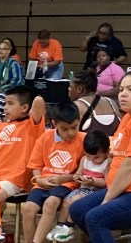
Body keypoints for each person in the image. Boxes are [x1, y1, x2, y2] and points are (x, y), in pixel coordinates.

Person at [69, 71, 131, 243]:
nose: (123, 94)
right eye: (121, 90)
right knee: (77, 210)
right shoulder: (128, 116)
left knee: (95, 218)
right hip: (121, 189)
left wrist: (108, 199)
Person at [23, 101, 85, 243]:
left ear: (79, 121)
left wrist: (63, 179)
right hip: (44, 183)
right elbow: (35, 165)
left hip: (68, 184)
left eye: (74, 127)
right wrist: (38, 180)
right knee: (28, 209)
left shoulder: (83, 140)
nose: (70, 133)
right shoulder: (45, 138)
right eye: (64, 129)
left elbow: (83, 173)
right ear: (54, 124)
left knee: (50, 203)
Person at [0, 86, 45, 213]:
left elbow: (39, 104)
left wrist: (36, 96)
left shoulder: (31, 126)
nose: (5, 107)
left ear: (24, 108)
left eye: (10, 104)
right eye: (5, 103)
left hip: (14, 179)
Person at [47, 129, 111, 242]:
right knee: (67, 200)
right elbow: (78, 174)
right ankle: (60, 225)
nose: (92, 160)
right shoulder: (84, 159)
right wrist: (77, 177)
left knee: (76, 200)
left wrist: (93, 181)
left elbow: (106, 183)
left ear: (107, 152)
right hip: (84, 188)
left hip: (96, 191)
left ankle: (69, 227)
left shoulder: (107, 163)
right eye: (88, 156)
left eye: (96, 158)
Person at [68, 70, 121, 136]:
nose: (68, 89)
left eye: (70, 86)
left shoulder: (77, 106)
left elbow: (67, 134)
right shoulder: (112, 103)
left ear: (79, 89)